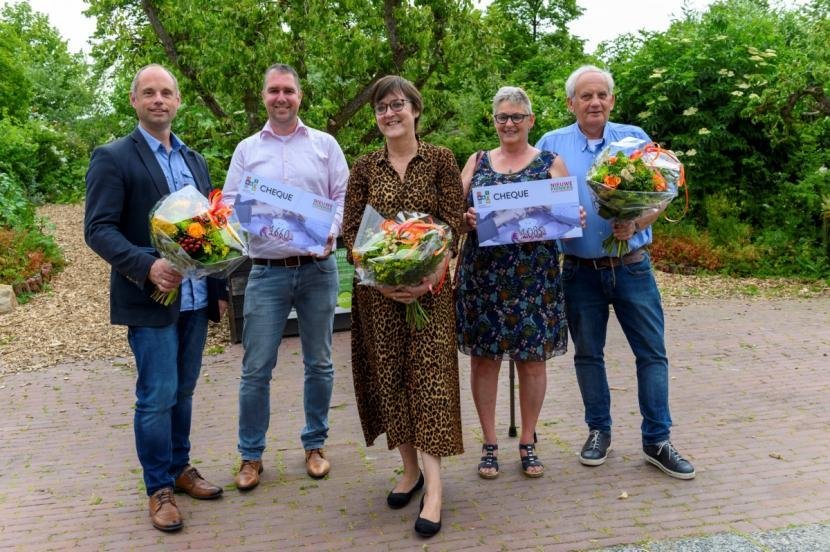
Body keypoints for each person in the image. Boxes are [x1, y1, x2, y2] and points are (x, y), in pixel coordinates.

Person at [84, 64, 227, 532]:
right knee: (156, 396)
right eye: (149, 93)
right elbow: (98, 229)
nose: (159, 100)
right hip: (150, 300)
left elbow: (211, 231)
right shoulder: (113, 157)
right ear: (134, 101)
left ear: (178, 100)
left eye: (166, 92)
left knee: (183, 392)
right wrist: (147, 266)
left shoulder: (195, 160)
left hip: (195, 298)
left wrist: (220, 288)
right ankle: (158, 488)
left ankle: (180, 468)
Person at [536, 65, 696, 479]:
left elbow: (664, 191)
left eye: (601, 95)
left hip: (632, 267)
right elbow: (536, 204)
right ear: (571, 102)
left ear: (612, 100)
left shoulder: (634, 138)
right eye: (585, 96)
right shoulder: (551, 144)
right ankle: (598, 432)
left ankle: (657, 440)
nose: (594, 103)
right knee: (589, 356)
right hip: (578, 271)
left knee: (652, 354)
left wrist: (638, 223)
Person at [342, 75, 464, 538]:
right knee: (390, 379)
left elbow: (453, 224)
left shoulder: (440, 160)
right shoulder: (365, 167)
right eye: (381, 108)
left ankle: (434, 489)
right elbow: (353, 231)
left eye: (397, 105)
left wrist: (429, 276)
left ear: (415, 109)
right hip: (379, 297)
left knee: (430, 382)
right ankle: (410, 470)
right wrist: (383, 277)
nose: (389, 114)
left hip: (431, 296)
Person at [222, 63, 348, 490]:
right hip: (267, 272)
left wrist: (328, 232)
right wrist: (259, 221)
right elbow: (234, 205)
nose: (281, 97)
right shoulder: (246, 150)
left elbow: (342, 197)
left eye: (288, 91)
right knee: (255, 368)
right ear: (264, 96)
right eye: (273, 90)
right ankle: (251, 456)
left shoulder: (325, 145)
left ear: (300, 96)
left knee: (321, 363)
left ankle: (315, 445)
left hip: (317, 270)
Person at [455, 86, 574, 480]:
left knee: (532, 360)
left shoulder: (551, 163)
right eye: (502, 117)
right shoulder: (476, 161)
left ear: (531, 121)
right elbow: (453, 212)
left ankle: (527, 440)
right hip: (484, 277)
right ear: (494, 121)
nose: (509, 124)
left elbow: (567, 214)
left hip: (533, 279)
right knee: (484, 359)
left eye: (516, 117)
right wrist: (466, 218)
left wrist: (573, 219)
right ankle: (489, 442)